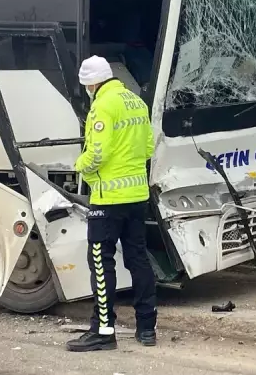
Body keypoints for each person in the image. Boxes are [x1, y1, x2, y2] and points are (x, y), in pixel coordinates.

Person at [66, 55, 158, 352]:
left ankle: (103, 331)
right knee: (138, 259)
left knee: (101, 262)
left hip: (108, 199)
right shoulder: (136, 102)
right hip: (137, 197)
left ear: (92, 84)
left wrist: (79, 166)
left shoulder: (102, 106)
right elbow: (148, 147)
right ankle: (147, 328)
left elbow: (97, 154)